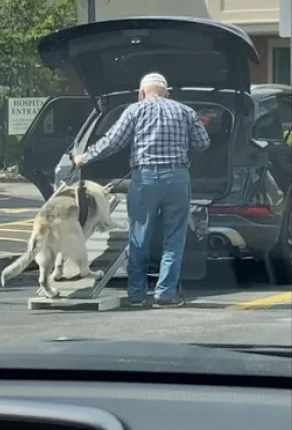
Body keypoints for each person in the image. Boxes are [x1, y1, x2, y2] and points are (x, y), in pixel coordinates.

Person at [73, 73, 210, 308]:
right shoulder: (185, 111)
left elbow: (112, 141)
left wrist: (84, 158)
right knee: (174, 238)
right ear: (166, 92)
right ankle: (165, 294)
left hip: (144, 178)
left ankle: (136, 294)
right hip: (177, 177)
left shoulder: (134, 111)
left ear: (141, 92)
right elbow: (203, 142)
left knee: (139, 236)